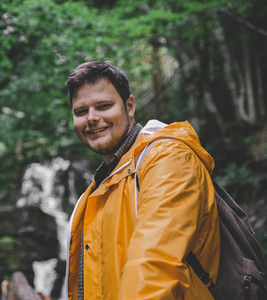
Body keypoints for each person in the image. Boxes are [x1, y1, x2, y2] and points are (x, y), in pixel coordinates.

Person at [65, 61, 220, 299]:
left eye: (104, 106)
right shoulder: (97, 189)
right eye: (81, 111)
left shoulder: (167, 159)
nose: (92, 118)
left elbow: (155, 265)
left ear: (129, 106)